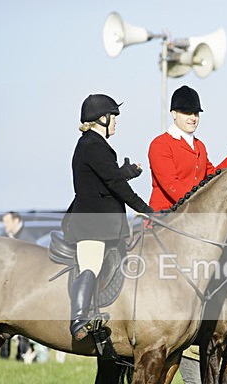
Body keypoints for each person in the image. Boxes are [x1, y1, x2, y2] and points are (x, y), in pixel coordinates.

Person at [151, 85, 227, 384]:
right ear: (174, 114)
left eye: (195, 113)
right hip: (166, 224)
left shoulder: (200, 147)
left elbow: (210, 178)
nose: (192, 118)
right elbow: (175, 190)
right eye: (187, 113)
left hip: (198, 232)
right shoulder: (160, 145)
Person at [63, 93, 153, 341]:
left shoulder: (94, 145)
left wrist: (126, 172)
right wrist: (145, 209)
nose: (116, 122)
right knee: (91, 263)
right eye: (113, 117)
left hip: (103, 223)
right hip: (92, 224)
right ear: (102, 118)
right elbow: (114, 185)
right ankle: (78, 319)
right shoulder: (93, 145)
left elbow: (105, 178)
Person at [0, 211, 37, 360]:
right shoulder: (8, 237)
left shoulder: (27, 239)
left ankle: (22, 354)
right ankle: (5, 354)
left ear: (16, 221)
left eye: (7, 221)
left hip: (23, 287)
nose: (5, 225)